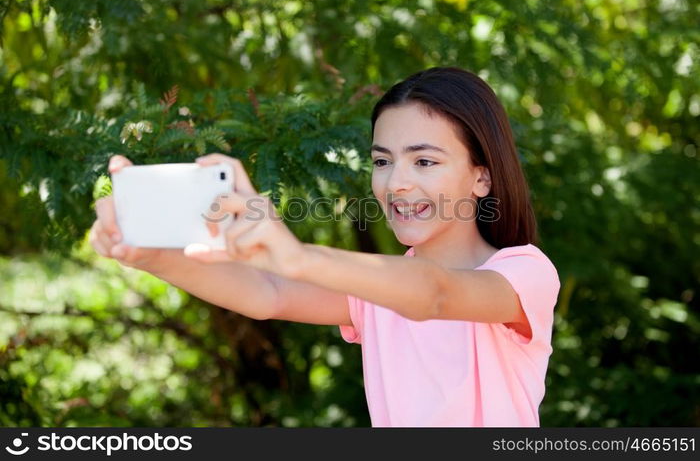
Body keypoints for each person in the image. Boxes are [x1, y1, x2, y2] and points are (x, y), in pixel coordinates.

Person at [89, 67, 560, 427]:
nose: (396, 182)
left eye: (424, 161)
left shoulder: (524, 274)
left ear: (482, 176)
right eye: (382, 160)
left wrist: (296, 253)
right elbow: (268, 293)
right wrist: (149, 256)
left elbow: (435, 293)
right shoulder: (375, 291)